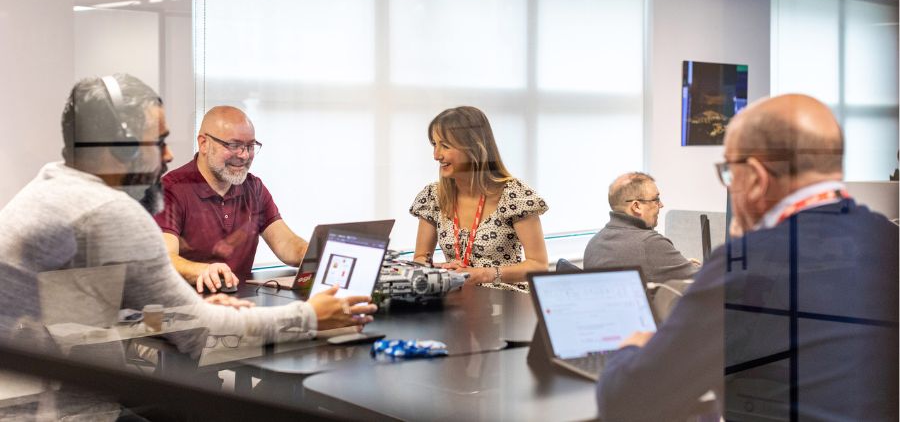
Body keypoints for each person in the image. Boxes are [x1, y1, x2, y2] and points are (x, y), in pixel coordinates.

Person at [0, 75, 376, 418]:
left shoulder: (51, 188)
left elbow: (82, 316)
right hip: (58, 413)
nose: (167, 155)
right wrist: (310, 317)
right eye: (158, 141)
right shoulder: (109, 212)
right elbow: (202, 335)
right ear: (120, 147)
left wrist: (185, 310)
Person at [595, 94, 898, 420]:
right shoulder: (889, 238)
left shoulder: (746, 266)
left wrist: (632, 346)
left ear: (755, 177)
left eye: (729, 172)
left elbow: (626, 400)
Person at [154, 106, 308, 293]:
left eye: (250, 146)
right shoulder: (171, 190)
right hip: (188, 304)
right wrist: (204, 270)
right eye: (234, 145)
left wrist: (311, 253)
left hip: (241, 302)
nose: (244, 155)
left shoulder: (254, 188)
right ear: (204, 144)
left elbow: (285, 243)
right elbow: (164, 258)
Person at [410, 106, 549, 292]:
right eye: (434, 144)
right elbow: (420, 258)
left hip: (506, 300)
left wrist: (483, 274)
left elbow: (538, 265)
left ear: (473, 147)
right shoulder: (433, 196)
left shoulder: (514, 195)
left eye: (445, 146)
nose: (436, 155)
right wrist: (440, 269)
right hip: (457, 300)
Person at [583, 172, 698, 283]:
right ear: (636, 206)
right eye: (656, 199)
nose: (661, 205)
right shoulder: (650, 243)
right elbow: (703, 282)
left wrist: (677, 264)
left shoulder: (594, 244)